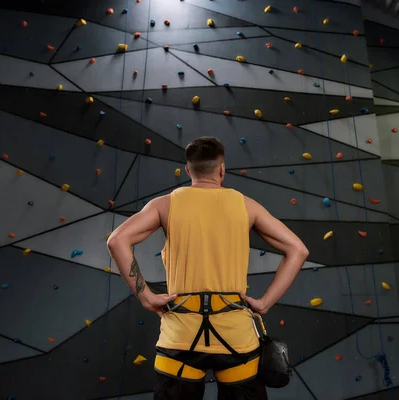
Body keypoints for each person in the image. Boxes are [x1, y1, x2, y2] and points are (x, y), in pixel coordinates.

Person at [107, 136, 309, 400]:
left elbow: (116, 240)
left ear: (188, 170)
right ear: (222, 169)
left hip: (180, 337)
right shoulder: (246, 206)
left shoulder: (165, 204)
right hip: (236, 338)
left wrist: (146, 296)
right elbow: (298, 250)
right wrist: (264, 303)